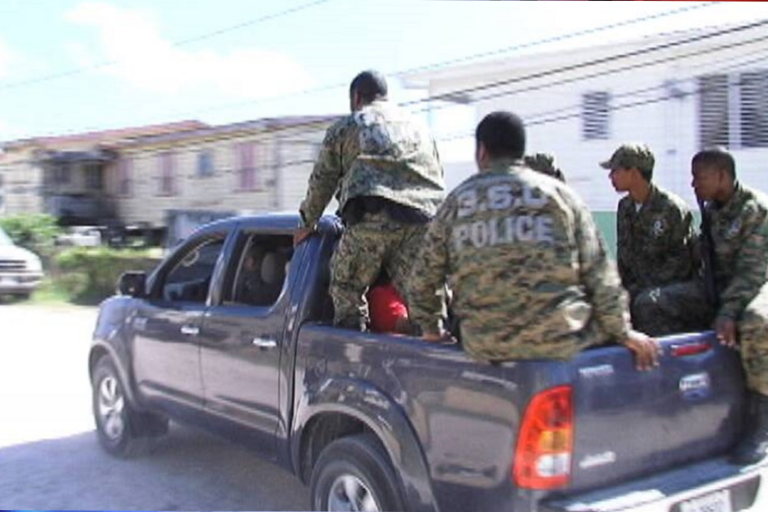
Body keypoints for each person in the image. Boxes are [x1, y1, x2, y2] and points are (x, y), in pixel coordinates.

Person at [407, 111, 660, 371]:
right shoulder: (561, 197)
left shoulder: (458, 201)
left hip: (486, 346)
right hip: (559, 343)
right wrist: (623, 332)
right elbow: (600, 273)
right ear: (521, 152)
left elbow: (424, 277)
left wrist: (431, 329)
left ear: (482, 151)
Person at [635, 147, 768, 464]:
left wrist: (727, 311)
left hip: (756, 285)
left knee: (755, 321)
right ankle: (674, 390)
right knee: (651, 303)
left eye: (699, 177)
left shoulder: (755, 209)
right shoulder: (710, 209)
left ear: (722, 175)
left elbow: (751, 272)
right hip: (717, 287)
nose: (693, 184)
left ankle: (760, 418)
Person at [294, 70, 445, 330]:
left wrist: (307, 222)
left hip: (371, 218)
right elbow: (437, 176)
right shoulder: (420, 128)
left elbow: (323, 180)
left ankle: (355, 352)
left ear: (356, 97)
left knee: (346, 287)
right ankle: (432, 349)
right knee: (426, 301)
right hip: (422, 222)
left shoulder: (348, 126)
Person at [600, 143, 695, 334]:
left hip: (665, 289)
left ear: (634, 173)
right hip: (636, 287)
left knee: (645, 304)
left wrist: (641, 287)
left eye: (615, 171)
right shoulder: (624, 208)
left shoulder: (671, 208)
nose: (611, 177)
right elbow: (624, 256)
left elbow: (681, 263)